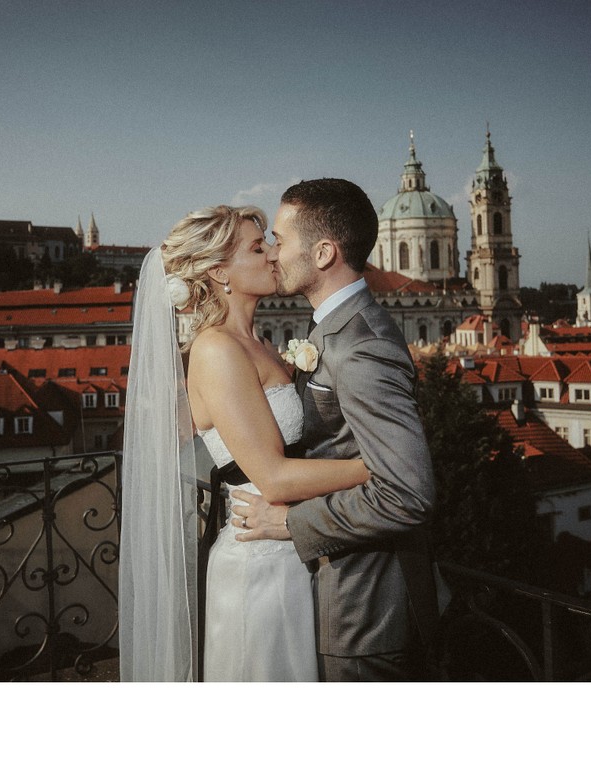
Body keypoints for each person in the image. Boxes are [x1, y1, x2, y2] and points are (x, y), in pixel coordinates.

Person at [118, 204, 367, 682]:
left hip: (291, 545)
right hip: (260, 563)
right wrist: (375, 470)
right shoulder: (216, 349)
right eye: (258, 247)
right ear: (219, 273)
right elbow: (272, 476)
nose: (274, 255)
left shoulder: (261, 343)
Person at [232, 178, 439, 682]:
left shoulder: (361, 343)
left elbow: (408, 493)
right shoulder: (333, 327)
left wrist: (291, 523)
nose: (273, 254)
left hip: (363, 612)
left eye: (281, 240)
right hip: (338, 601)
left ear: (324, 253)